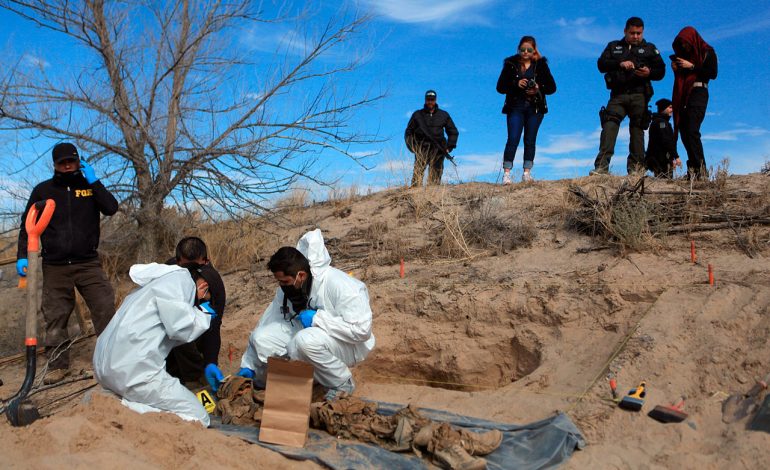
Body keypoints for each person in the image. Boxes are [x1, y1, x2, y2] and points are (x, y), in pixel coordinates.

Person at [205, 229, 375, 400]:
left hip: (349, 345)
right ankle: (268, 384)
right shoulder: (288, 289)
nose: (281, 286)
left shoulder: (342, 285)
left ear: (300, 275)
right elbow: (267, 322)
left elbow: (361, 331)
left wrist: (317, 319)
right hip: (310, 339)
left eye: (284, 281)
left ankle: (342, 383)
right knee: (261, 338)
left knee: (303, 342)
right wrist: (249, 366)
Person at [16, 142, 118, 384]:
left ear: (78, 161)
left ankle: (112, 359)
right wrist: (22, 255)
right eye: (62, 162)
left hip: (88, 263)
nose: (67, 165)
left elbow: (111, 208)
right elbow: (26, 224)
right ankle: (58, 366)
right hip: (55, 266)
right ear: (55, 164)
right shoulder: (43, 190)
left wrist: (94, 182)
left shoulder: (89, 186)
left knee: (104, 307)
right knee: (55, 317)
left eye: (71, 160)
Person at [93, 262, 217, 427]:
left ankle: (118, 399)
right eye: (204, 296)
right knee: (199, 417)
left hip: (106, 367)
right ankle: (122, 407)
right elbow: (182, 329)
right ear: (204, 286)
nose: (200, 300)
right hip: (133, 372)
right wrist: (205, 313)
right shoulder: (182, 283)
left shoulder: (159, 282)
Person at [591, 17, 665, 175]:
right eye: (632, 33)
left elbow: (661, 71)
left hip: (640, 95)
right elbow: (601, 64)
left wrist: (649, 72)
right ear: (625, 31)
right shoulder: (614, 46)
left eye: (639, 33)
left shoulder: (650, 48)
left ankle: (636, 170)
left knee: (638, 130)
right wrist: (620, 63)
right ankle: (601, 168)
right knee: (609, 126)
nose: (636, 36)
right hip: (618, 95)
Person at [164, 237, 227, 386]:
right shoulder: (167, 273)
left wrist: (211, 362)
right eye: (187, 266)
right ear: (177, 261)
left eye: (197, 267)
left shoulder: (212, 282)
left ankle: (196, 377)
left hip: (193, 334)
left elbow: (213, 325)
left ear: (206, 261)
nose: (192, 272)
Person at [496, 35, 557, 184]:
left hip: (535, 108)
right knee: (513, 138)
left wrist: (537, 88)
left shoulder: (541, 65)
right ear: (518, 49)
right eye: (522, 49)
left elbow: (552, 88)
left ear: (534, 50)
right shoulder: (510, 64)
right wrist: (516, 83)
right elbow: (500, 87)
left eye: (529, 49)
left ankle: (527, 173)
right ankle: (507, 174)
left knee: (530, 139)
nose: (525, 52)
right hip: (515, 107)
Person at [671, 26, 717, 180]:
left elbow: (712, 73)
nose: (684, 47)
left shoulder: (707, 52)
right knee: (684, 131)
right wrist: (677, 69)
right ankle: (693, 170)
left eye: (686, 43)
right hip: (685, 95)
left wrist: (692, 67)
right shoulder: (685, 55)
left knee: (692, 130)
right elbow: (682, 78)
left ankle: (701, 171)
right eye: (681, 44)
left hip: (699, 92)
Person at [405, 90, 459, 187]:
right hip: (421, 149)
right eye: (428, 99)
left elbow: (453, 131)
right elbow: (408, 133)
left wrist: (449, 146)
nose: (430, 102)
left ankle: (432, 197)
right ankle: (415, 196)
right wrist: (413, 147)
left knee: (435, 179)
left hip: (438, 150)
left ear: (436, 100)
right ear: (425, 100)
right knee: (417, 178)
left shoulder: (444, 115)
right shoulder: (417, 115)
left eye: (432, 99)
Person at [645, 98, 681, 178]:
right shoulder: (661, 123)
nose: (672, 110)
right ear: (663, 108)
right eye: (670, 107)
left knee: (663, 179)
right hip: (660, 160)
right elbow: (666, 141)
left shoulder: (661, 122)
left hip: (662, 159)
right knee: (664, 181)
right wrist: (676, 156)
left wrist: (671, 159)